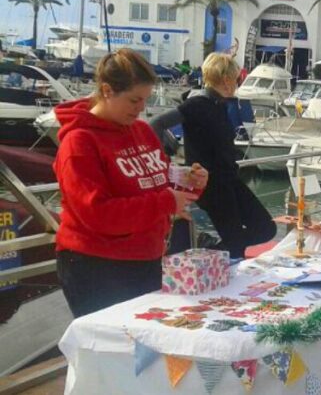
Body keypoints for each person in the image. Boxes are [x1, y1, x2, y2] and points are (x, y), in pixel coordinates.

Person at [53, 49, 208, 317]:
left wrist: (190, 184)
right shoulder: (79, 142)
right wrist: (167, 201)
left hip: (146, 259)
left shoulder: (142, 131)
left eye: (145, 100)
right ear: (107, 90)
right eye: (134, 100)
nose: (141, 109)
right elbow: (98, 213)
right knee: (111, 351)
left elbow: (161, 183)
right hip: (96, 266)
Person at [150, 53, 275, 260]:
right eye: (236, 78)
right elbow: (156, 123)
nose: (237, 83)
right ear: (226, 79)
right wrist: (164, 161)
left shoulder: (219, 105)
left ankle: (209, 249)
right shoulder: (196, 104)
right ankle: (219, 261)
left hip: (230, 179)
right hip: (211, 184)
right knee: (235, 246)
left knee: (265, 228)